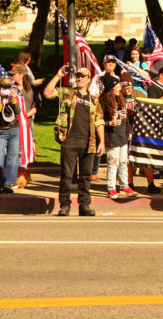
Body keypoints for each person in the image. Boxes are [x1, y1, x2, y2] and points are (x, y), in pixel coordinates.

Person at [44, 66, 106, 216]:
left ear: (88, 79)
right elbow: (47, 93)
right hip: (69, 140)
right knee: (67, 175)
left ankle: (84, 205)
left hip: (89, 142)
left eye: (83, 77)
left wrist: (102, 142)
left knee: (85, 176)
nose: (80, 79)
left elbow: (99, 121)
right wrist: (58, 75)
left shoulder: (94, 101)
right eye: (78, 76)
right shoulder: (68, 93)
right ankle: (65, 205)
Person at [99, 75, 137, 199]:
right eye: (116, 86)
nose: (119, 88)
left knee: (123, 162)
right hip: (111, 137)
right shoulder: (103, 102)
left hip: (122, 137)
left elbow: (125, 118)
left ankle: (124, 186)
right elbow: (98, 121)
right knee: (113, 162)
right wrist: (110, 123)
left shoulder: (122, 99)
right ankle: (111, 188)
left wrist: (128, 131)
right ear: (110, 88)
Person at [0, 76, 22, 194]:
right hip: (0, 131)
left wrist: (14, 99)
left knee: (12, 158)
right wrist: (1, 104)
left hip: (14, 130)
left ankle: (8, 183)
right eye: (4, 87)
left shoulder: (12, 97)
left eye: (8, 87)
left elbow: (18, 111)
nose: (6, 89)